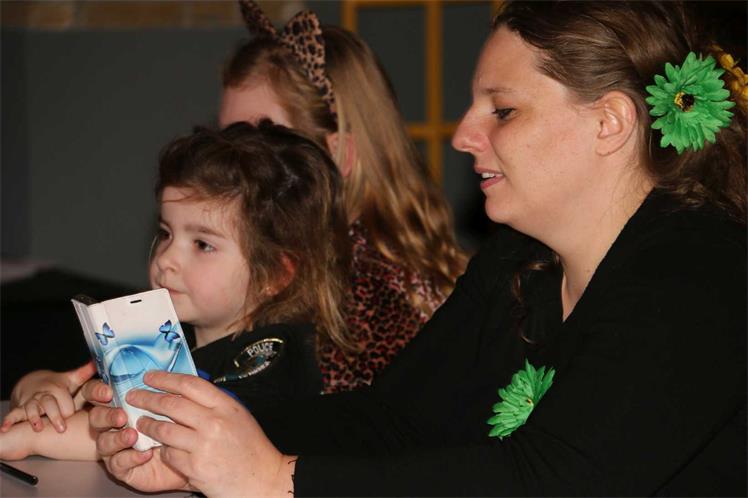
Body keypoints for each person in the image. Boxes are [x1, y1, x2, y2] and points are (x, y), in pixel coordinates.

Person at [66, 0, 748, 495]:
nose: (463, 135)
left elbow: (553, 480)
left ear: (609, 123)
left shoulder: (701, 274)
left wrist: (278, 480)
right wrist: (192, 442)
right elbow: (393, 420)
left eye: (502, 110)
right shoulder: (519, 262)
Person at [0, 121, 350, 460]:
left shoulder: (273, 358)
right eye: (166, 233)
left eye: (202, 244)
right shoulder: (166, 329)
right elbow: (69, 387)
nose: (166, 258)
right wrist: (42, 390)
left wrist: (35, 436)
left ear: (276, 273)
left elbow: (166, 436)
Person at [220, 0, 468, 392]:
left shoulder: (369, 291)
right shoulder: (312, 265)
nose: (228, 166)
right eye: (226, 142)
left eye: (262, 142)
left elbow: (333, 424)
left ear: (338, 154)